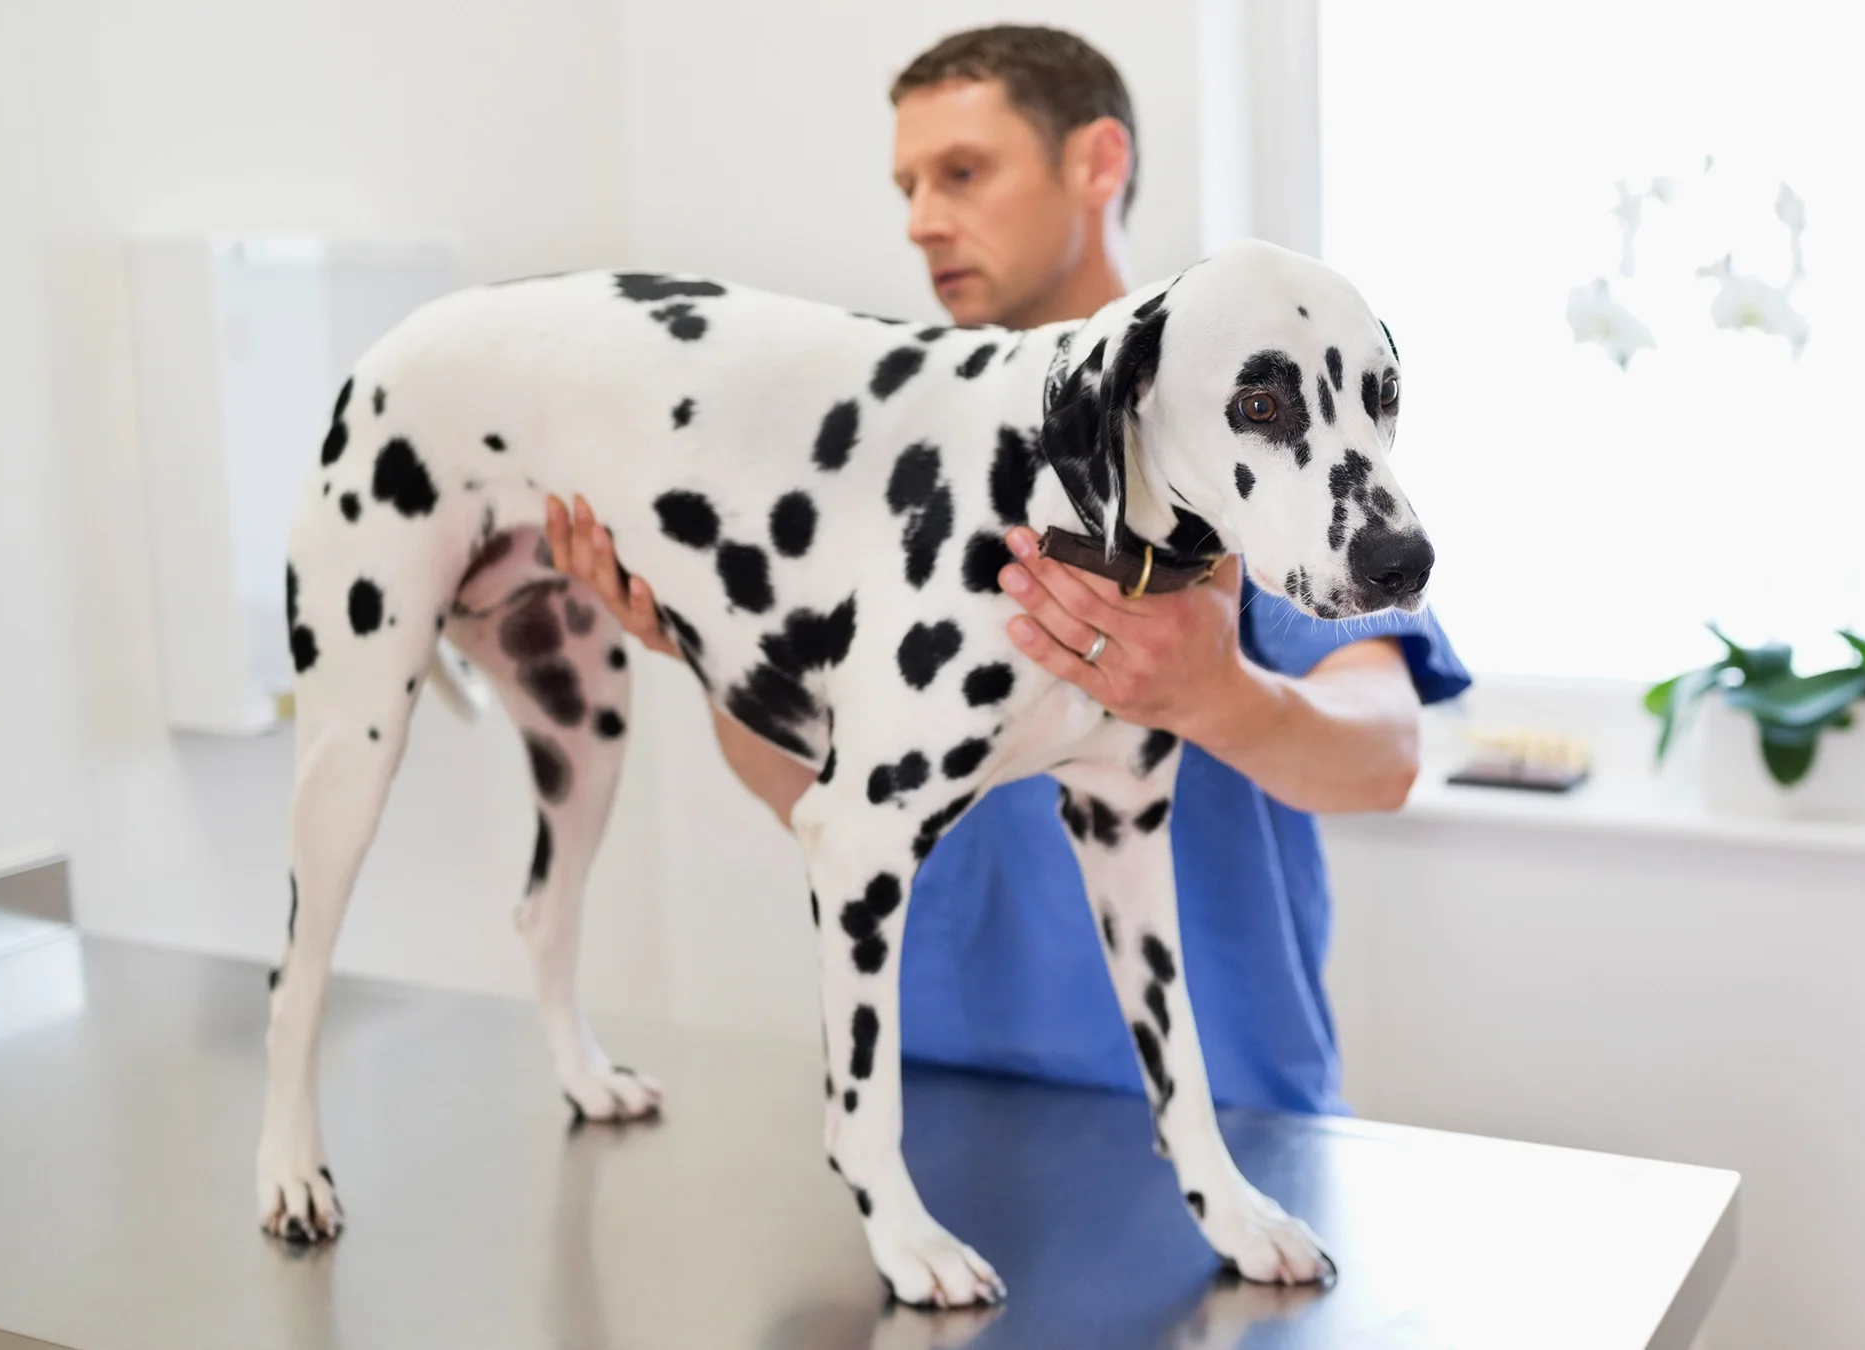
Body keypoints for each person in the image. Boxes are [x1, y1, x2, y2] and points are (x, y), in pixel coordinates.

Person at [544, 24, 1469, 1115]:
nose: (923, 219)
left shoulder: (1227, 412)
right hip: (943, 1098)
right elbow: (810, 787)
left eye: (964, 172)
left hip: (1222, 1112)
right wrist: (706, 638)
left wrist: (1212, 691)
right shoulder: (882, 447)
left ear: (1098, 163)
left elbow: (1383, 757)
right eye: (909, 186)